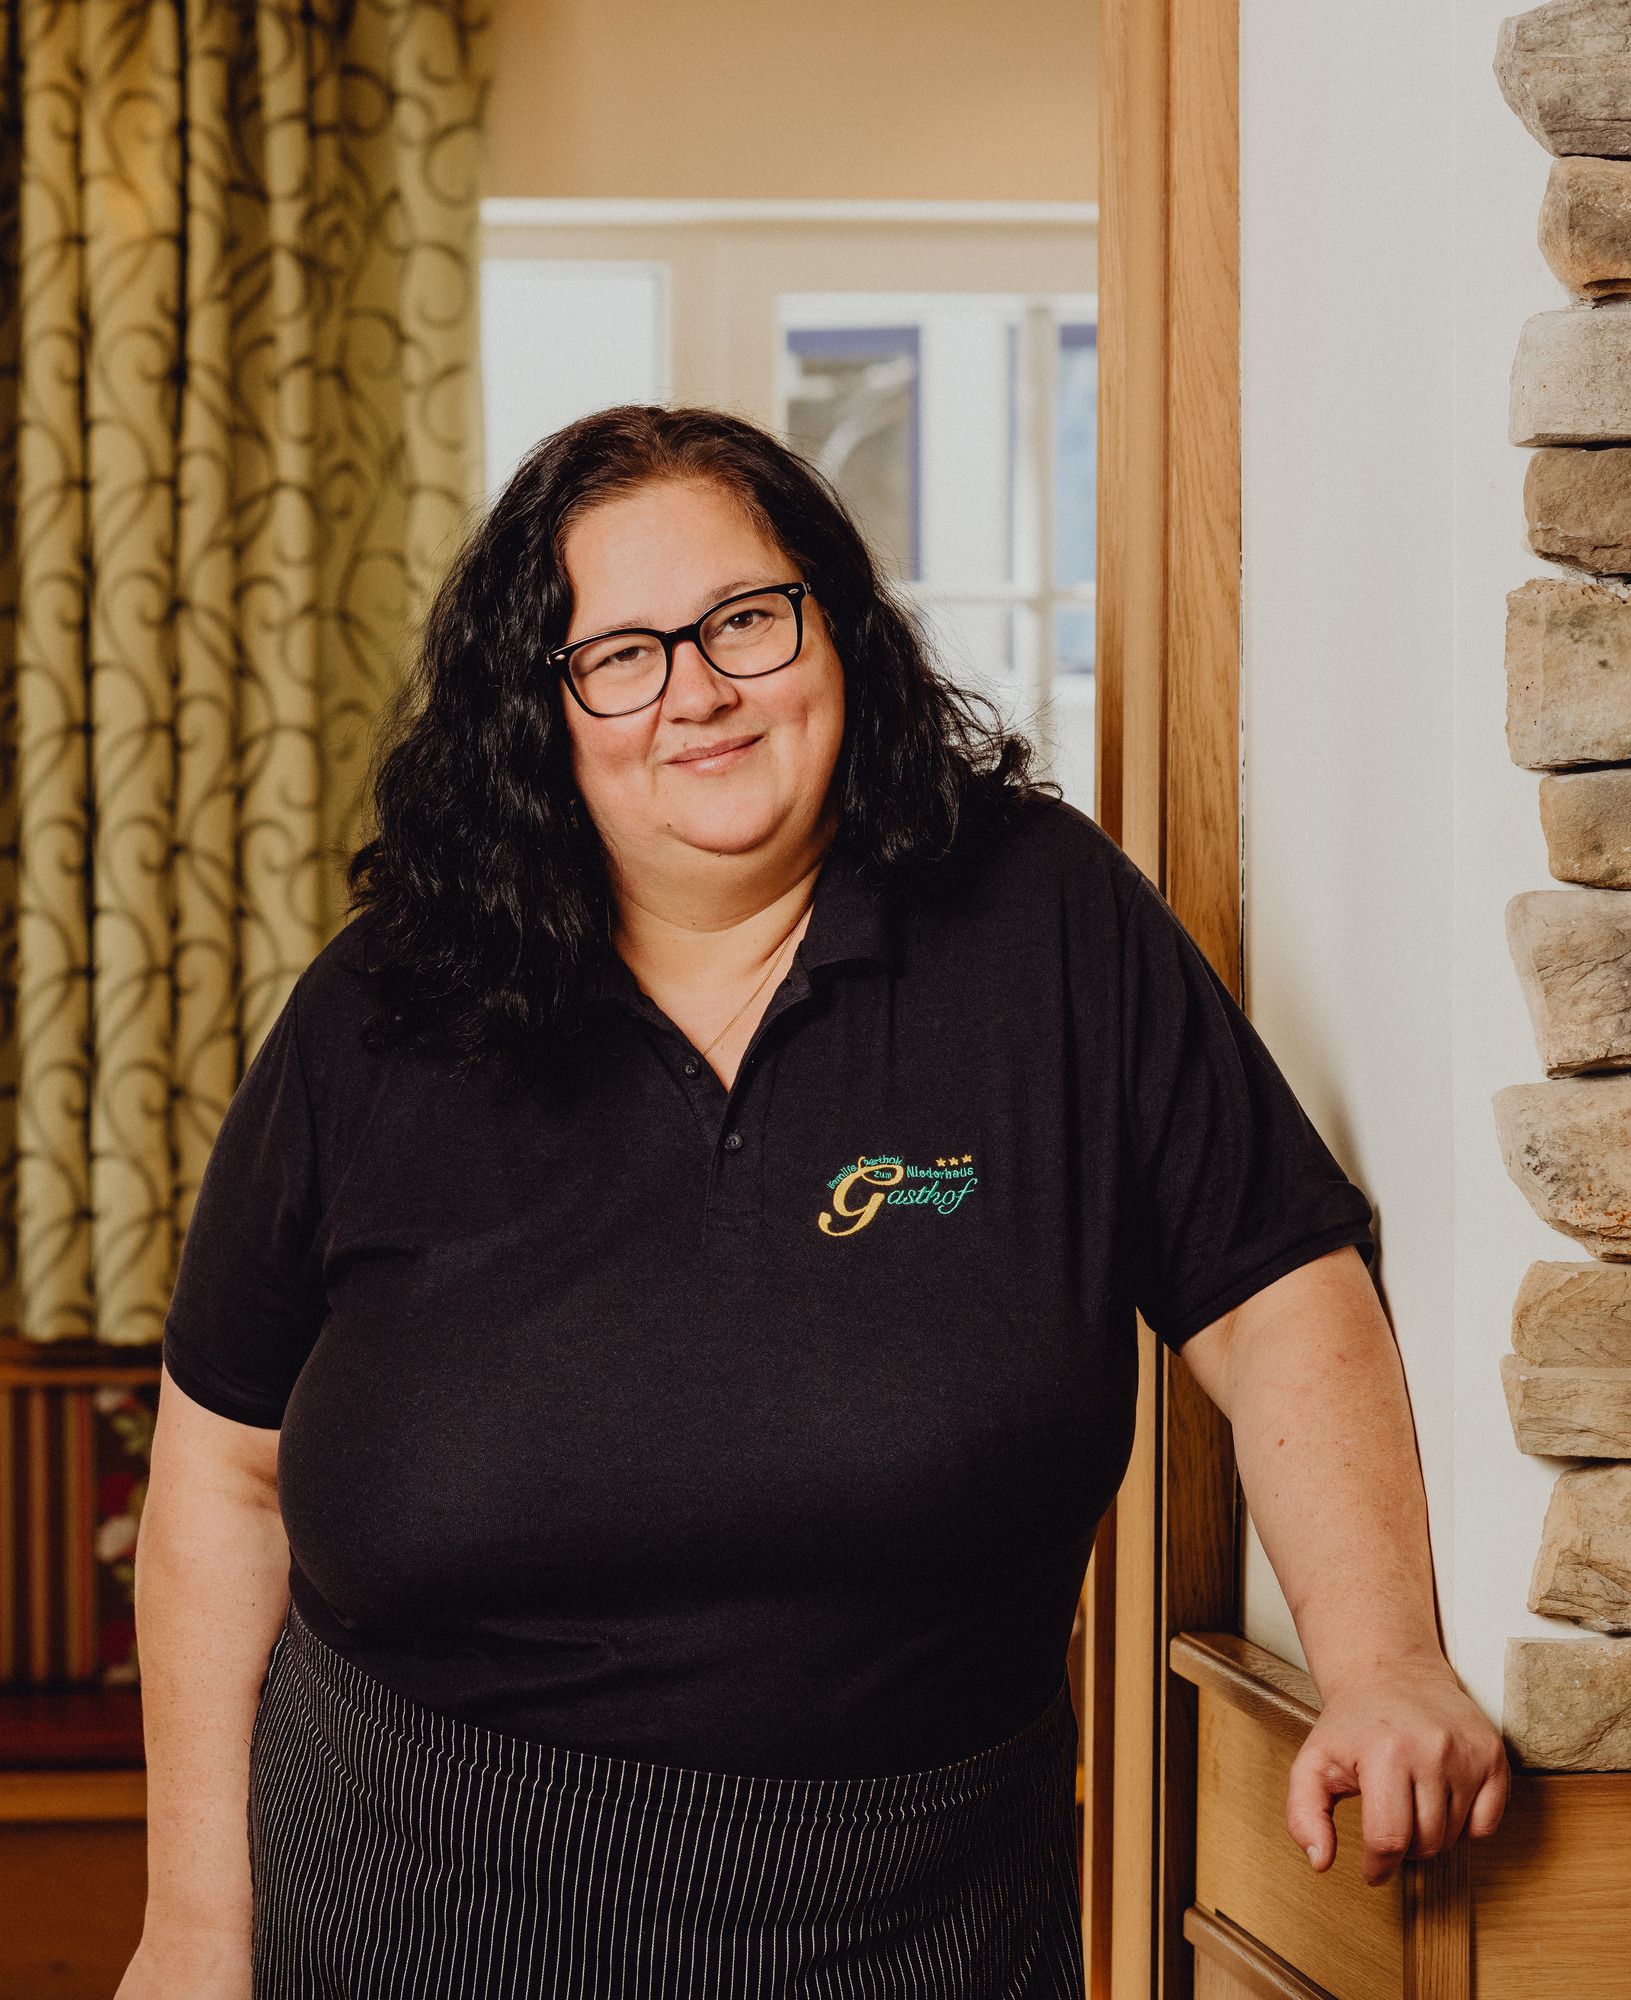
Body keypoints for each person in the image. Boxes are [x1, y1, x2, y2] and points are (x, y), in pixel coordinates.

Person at [115, 406, 1506, 2000]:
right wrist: (197, 1926)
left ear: (837, 632)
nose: (694, 691)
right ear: (545, 710)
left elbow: (1277, 1299)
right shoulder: (385, 1007)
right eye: (618, 655)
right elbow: (221, 1477)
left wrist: (1384, 1662)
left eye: (743, 623)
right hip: (408, 1898)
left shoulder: (1046, 923)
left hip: (913, 1921)